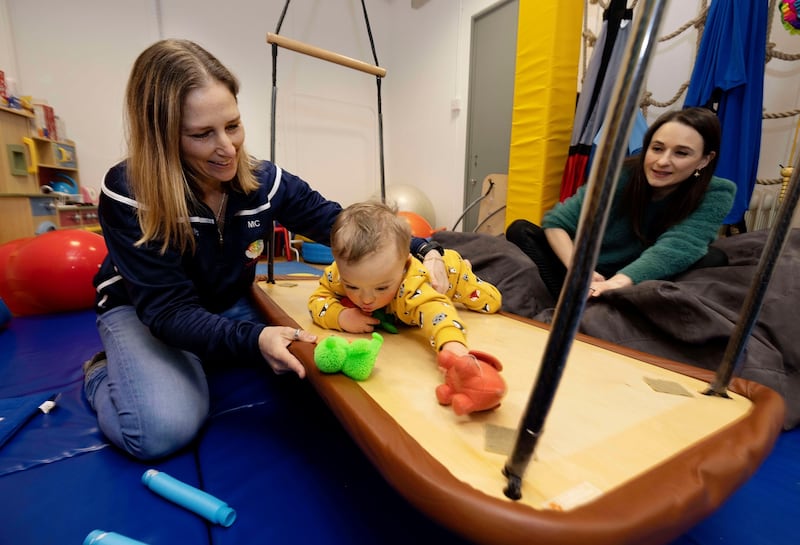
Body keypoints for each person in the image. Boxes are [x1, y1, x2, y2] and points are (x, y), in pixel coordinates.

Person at [83, 39, 447, 461]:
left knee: (316, 354)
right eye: (203, 135)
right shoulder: (129, 193)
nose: (227, 148)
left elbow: (340, 224)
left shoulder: (263, 180)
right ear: (163, 138)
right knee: (162, 430)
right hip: (145, 312)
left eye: (233, 125)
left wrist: (423, 248)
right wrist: (254, 338)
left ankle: (196, 358)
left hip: (222, 301)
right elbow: (168, 312)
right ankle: (101, 373)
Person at [506, 106, 736, 301]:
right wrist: (580, 270)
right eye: (657, 149)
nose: (662, 161)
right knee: (520, 230)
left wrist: (615, 284)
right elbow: (557, 222)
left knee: (714, 259)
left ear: (705, 160)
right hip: (590, 268)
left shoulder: (718, 192)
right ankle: (573, 300)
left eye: (681, 153)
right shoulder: (622, 173)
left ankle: (595, 302)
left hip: (643, 276)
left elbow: (678, 247)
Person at [308, 201, 502, 358]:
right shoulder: (341, 273)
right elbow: (318, 298)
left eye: (382, 288)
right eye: (352, 286)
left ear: (405, 266)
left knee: (491, 302)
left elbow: (437, 311)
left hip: (451, 273)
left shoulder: (412, 283)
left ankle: (465, 267)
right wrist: (340, 316)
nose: (366, 299)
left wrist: (452, 345)